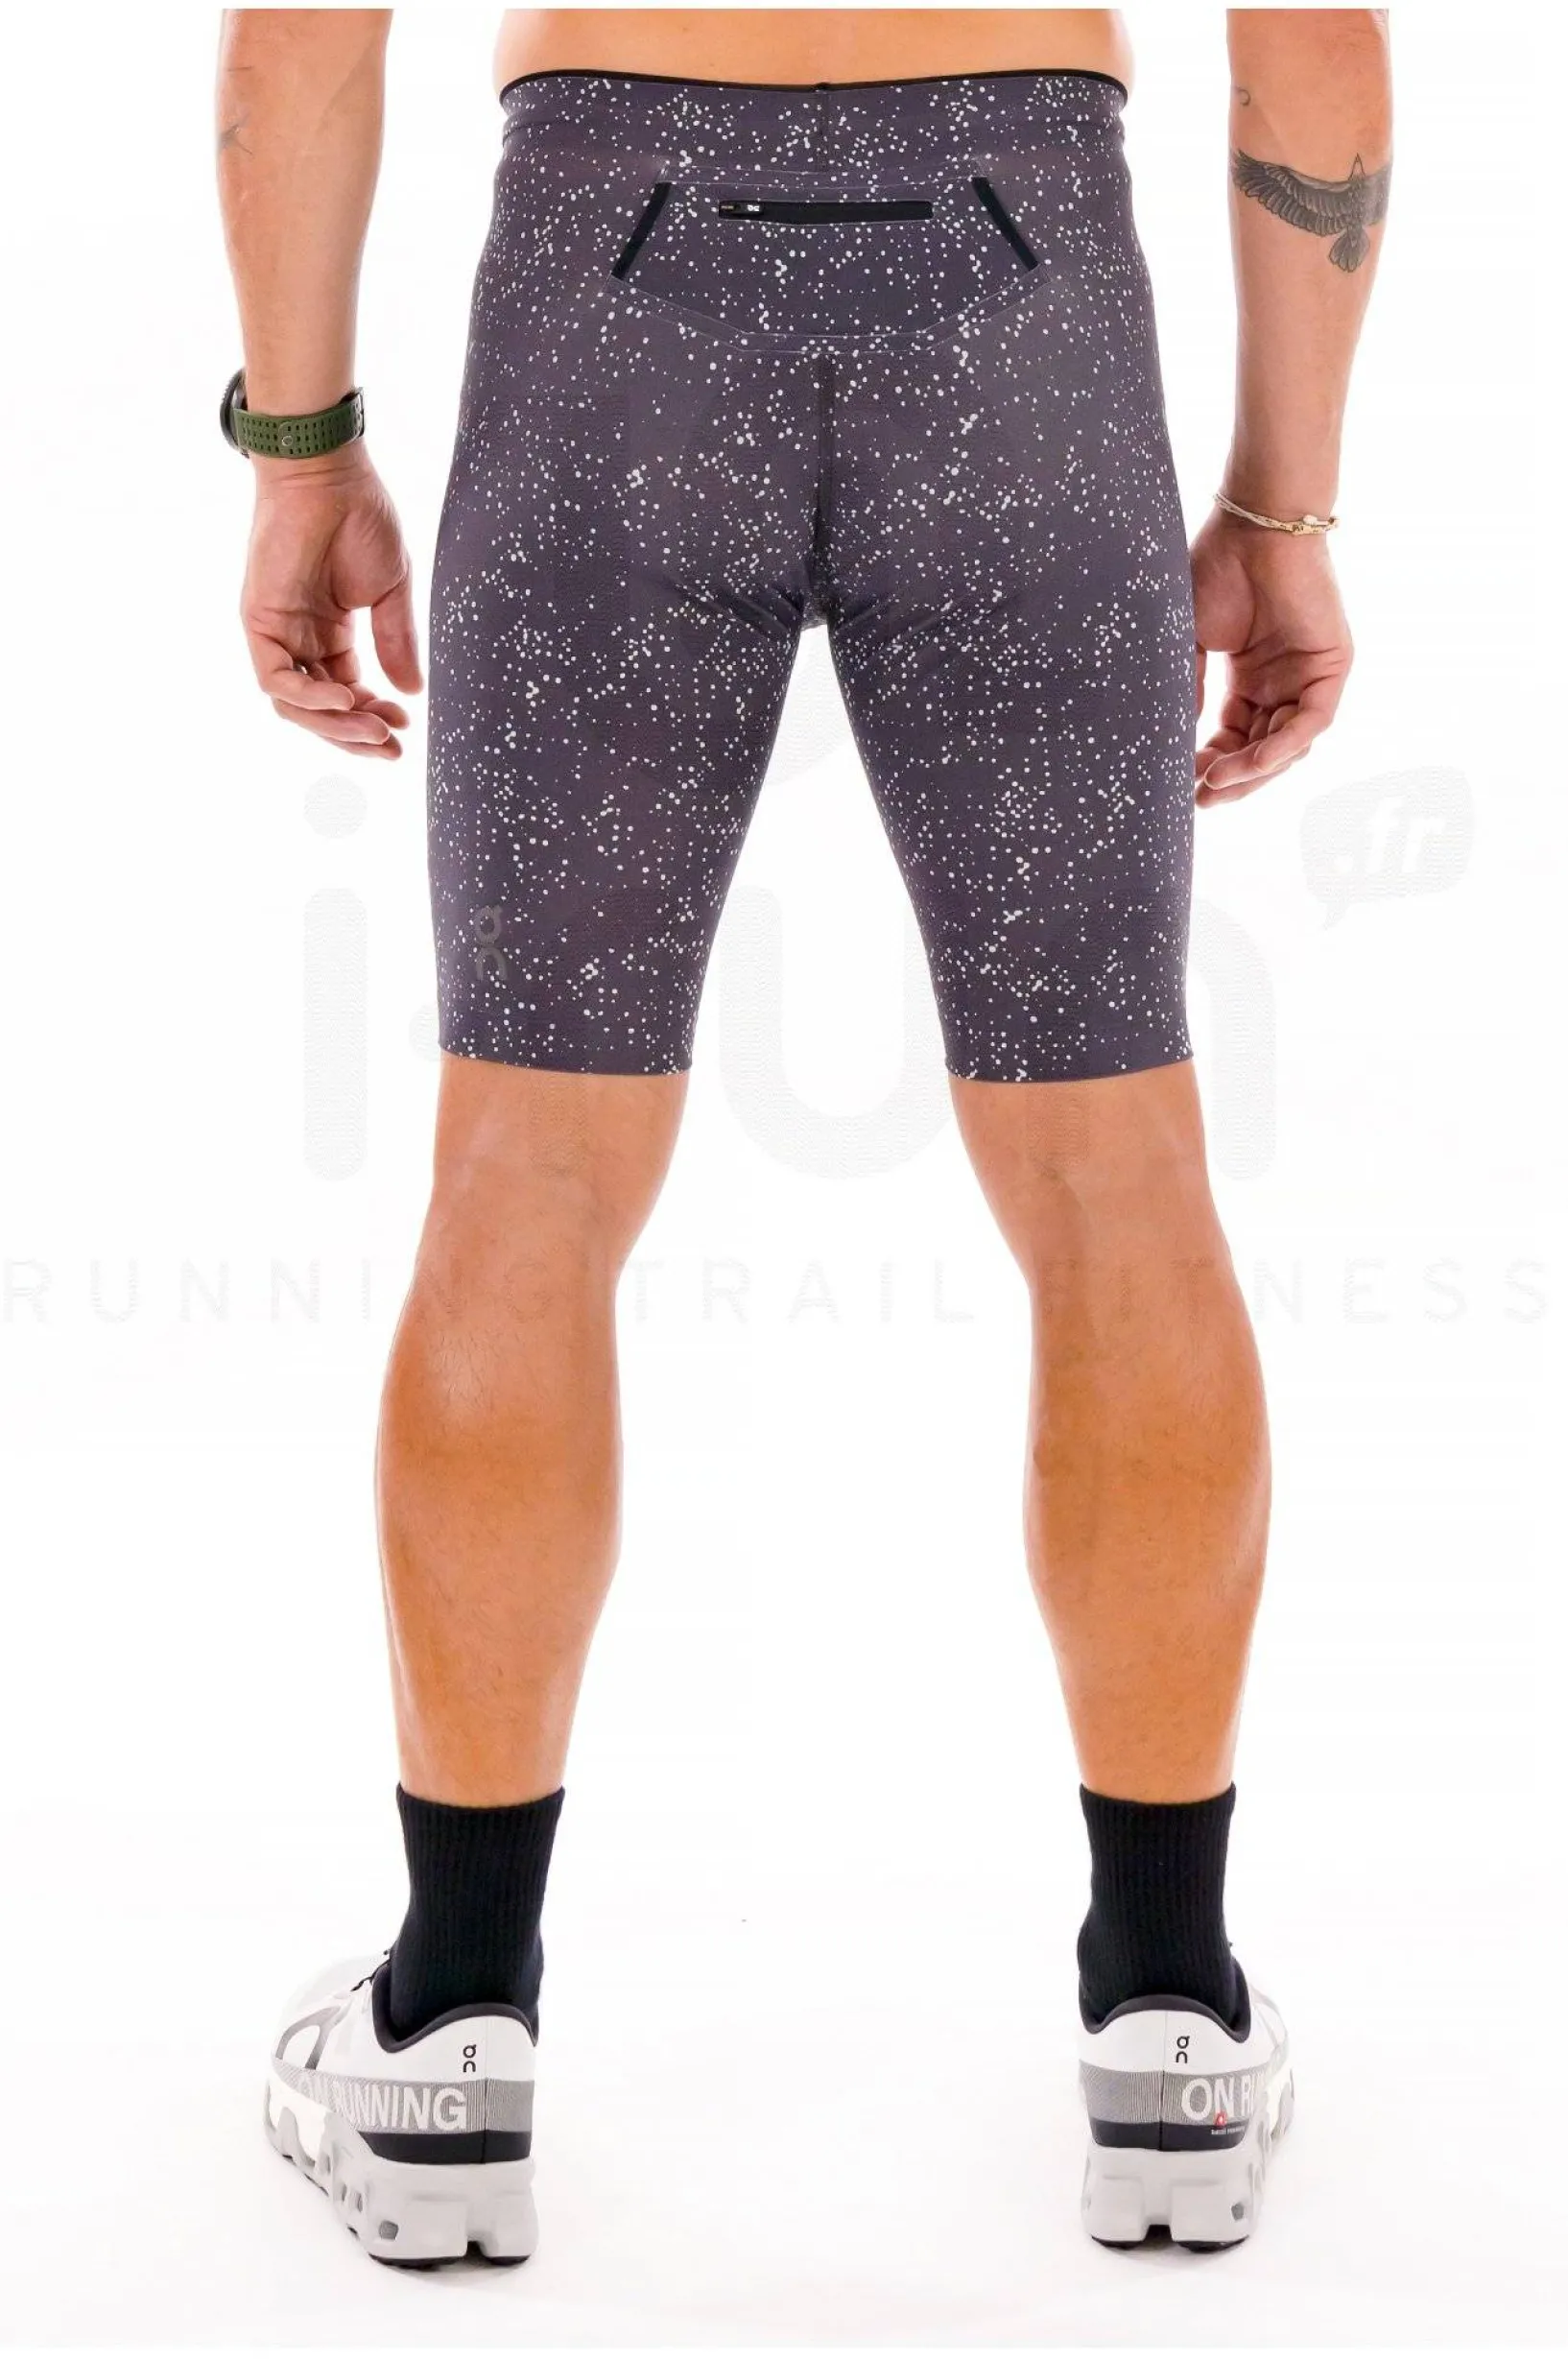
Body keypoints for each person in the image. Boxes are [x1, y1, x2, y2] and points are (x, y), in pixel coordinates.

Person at [218, 6, 1390, 2267]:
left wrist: (298, 444)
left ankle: (451, 2022)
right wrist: (1277, 510)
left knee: (527, 1169)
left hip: (608, 276)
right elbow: (1315, 53)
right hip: (1026, 277)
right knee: (1115, 1171)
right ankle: (1169, 2012)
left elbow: (298, 42)